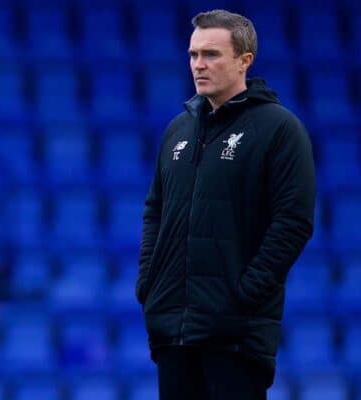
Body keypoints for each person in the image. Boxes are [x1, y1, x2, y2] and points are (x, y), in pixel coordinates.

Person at [136, 9, 315, 400]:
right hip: (173, 330)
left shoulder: (279, 129)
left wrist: (242, 296)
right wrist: (150, 283)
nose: (199, 65)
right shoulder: (178, 129)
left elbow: (294, 222)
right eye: (193, 55)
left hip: (236, 335)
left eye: (212, 55)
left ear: (244, 60)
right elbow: (155, 210)